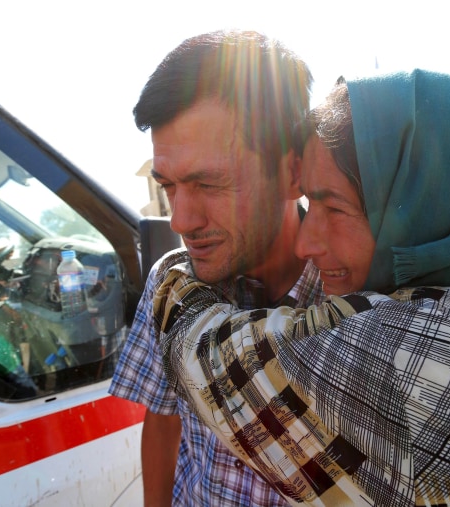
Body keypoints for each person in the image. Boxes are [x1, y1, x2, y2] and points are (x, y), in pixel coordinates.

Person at [153, 70, 450, 506]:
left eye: (335, 208)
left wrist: (172, 273)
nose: (305, 242)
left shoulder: (419, 345)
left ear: (428, 204)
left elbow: (205, 360)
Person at [109, 30, 323, 506]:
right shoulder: (174, 285)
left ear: (293, 173)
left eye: (208, 183)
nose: (181, 220)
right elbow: (164, 418)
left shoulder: (365, 303)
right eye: (168, 186)